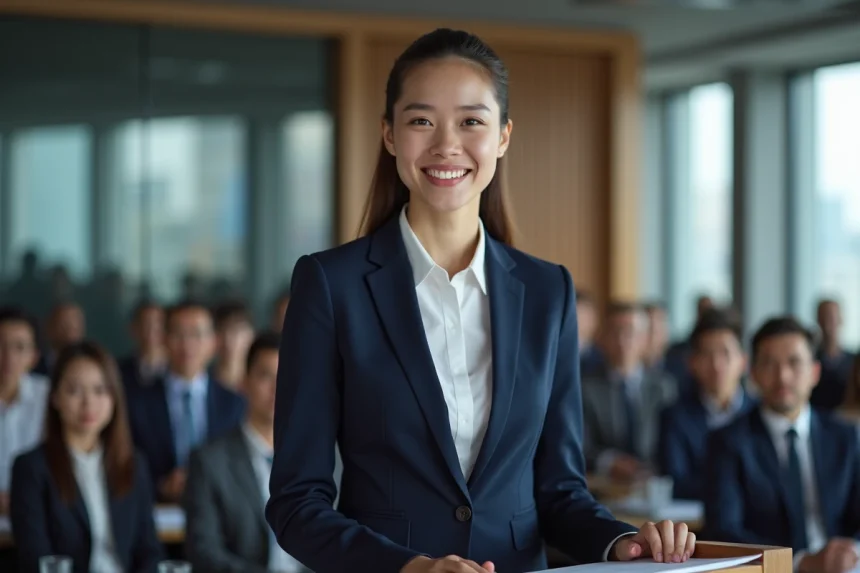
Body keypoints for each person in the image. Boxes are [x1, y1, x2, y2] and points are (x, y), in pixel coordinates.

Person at [265, 28, 695, 573]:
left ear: (504, 136)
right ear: (390, 135)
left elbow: (560, 491)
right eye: (422, 120)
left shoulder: (548, 292)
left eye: (471, 121)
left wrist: (622, 542)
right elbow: (296, 504)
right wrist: (410, 567)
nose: (447, 144)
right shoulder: (331, 284)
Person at [704, 317, 860, 573]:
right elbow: (723, 531)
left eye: (794, 362)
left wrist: (848, 552)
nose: (783, 376)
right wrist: (799, 563)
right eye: (769, 364)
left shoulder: (844, 436)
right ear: (753, 373)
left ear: (815, 372)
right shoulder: (727, 441)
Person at [10, 341, 163, 573]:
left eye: (100, 390)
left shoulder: (133, 463)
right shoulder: (31, 468)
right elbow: (36, 558)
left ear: (114, 398)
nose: (88, 402)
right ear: (55, 398)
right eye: (74, 390)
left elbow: (150, 550)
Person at [184, 332, 311, 573]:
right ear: (244, 382)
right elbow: (203, 551)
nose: (277, 388)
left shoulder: (322, 458)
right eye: (265, 376)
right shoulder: (209, 461)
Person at [127, 300, 246, 502]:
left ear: (213, 342)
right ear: (163, 339)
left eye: (197, 335)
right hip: (158, 510)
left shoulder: (235, 404)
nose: (187, 344)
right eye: (178, 334)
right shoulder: (136, 402)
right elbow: (126, 462)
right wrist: (161, 484)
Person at [657, 309, 756, 500]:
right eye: (707, 355)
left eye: (725, 354)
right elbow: (676, 482)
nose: (717, 365)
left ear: (743, 362)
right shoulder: (674, 417)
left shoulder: (759, 412)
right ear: (692, 363)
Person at [581, 302, 677, 481]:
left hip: (656, 484)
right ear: (602, 338)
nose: (623, 341)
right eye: (615, 332)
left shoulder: (665, 387)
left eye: (631, 333)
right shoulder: (585, 387)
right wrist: (610, 462)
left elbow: (673, 441)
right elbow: (581, 443)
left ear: (645, 339)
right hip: (603, 485)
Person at [0, 306, 50, 516]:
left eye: (19, 347)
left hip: (38, 513)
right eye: (0, 345)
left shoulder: (51, 398)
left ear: (34, 356)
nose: (8, 357)